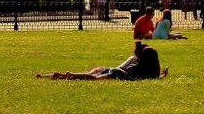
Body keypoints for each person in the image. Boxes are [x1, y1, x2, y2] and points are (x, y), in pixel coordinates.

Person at [37, 41, 167, 80]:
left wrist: (161, 75)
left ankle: (55, 75)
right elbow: (153, 77)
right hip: (118, 73)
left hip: (116, 69)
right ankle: (72, 75)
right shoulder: (147, 71)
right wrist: (161, 75)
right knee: (94, 78)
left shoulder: (137, 65)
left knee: (92, 74)